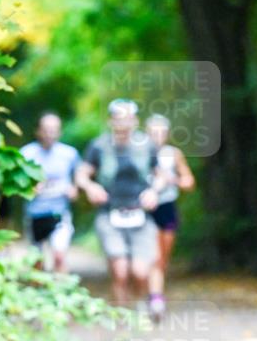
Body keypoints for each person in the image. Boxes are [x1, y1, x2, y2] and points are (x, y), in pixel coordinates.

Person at [76, 99, 166, 310]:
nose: (123, 123)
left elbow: (161, 175)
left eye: (127, 118)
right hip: (110, 215)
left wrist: (154, 191)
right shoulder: (98, 146)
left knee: (140, 271)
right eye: (118, 118)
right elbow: (81, 174)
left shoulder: (147, 145)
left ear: (135, 121)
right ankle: (123, 317)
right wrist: (90, 187)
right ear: (111, 121)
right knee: (120, 271)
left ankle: (140, 304)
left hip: (140, 216)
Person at [145, 114, 196, 313]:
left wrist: (170, 179)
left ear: (167, 135)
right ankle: (153, 296)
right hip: (144, 210)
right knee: (149, 256)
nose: (157, 136)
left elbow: (189, 182)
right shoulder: (137, 153)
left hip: (166, 207)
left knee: (162, 257)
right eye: (153, 133)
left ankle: (155, 294)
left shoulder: (173, 154)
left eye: (161, 133)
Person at [20, 112, 79, 273]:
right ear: (38, 131)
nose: (50, 134)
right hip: (34, 214)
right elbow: (16, 185)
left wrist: (74, 190)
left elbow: (79, 179)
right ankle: (38, 294)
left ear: (60, 131)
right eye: (46, 129)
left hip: (60, 213)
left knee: (59, 256)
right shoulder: (25, 154)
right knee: (37, 261)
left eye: (54, 129)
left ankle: (62, 293)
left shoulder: (70, 154)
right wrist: (29, 188)